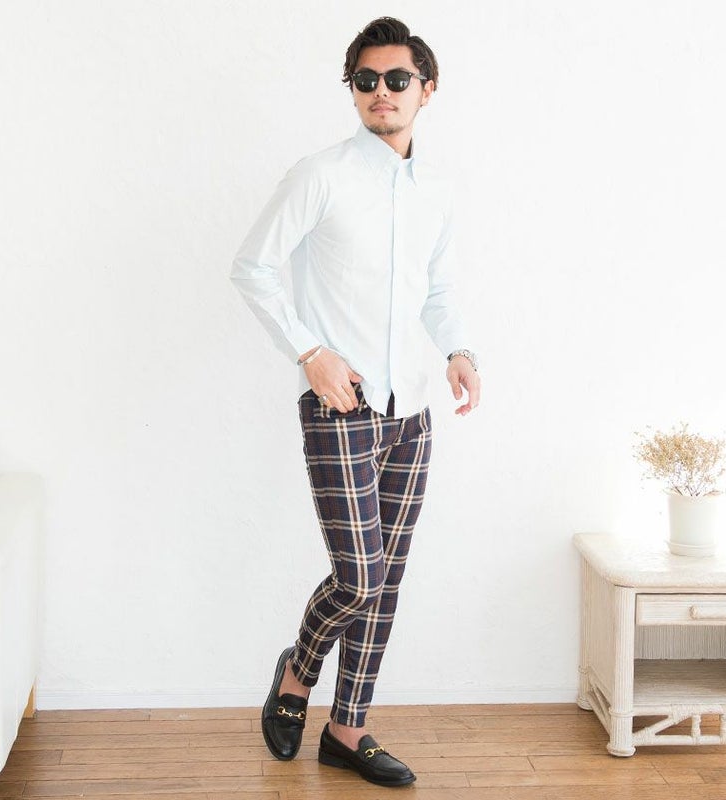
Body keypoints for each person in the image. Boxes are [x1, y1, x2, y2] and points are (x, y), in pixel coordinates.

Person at [230, 16, 480, 788]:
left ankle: (348, 729)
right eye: (365, 80)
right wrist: (311, 353)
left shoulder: (437, 191)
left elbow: (437, 290)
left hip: (414, 411)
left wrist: (460, 350)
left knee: (387, 579)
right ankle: (297, 675)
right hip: (342, 405)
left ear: (427, 89)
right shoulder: (322, 175)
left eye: (397, 79)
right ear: (353, 91)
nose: (381, 92)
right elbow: (253, 267)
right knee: (359, 577)